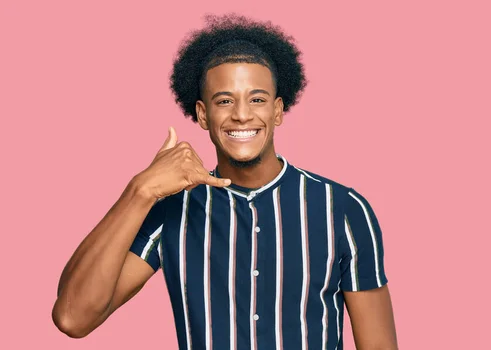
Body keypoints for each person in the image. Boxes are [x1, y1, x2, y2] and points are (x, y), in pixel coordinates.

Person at [52, 14, 397, 350]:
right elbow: (72, 318)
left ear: (277, 110)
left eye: (257, 99)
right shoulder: (172, 212)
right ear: (203, 114)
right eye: (225, 100)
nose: (242, 114)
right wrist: (140, 190)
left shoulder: (344, 210)